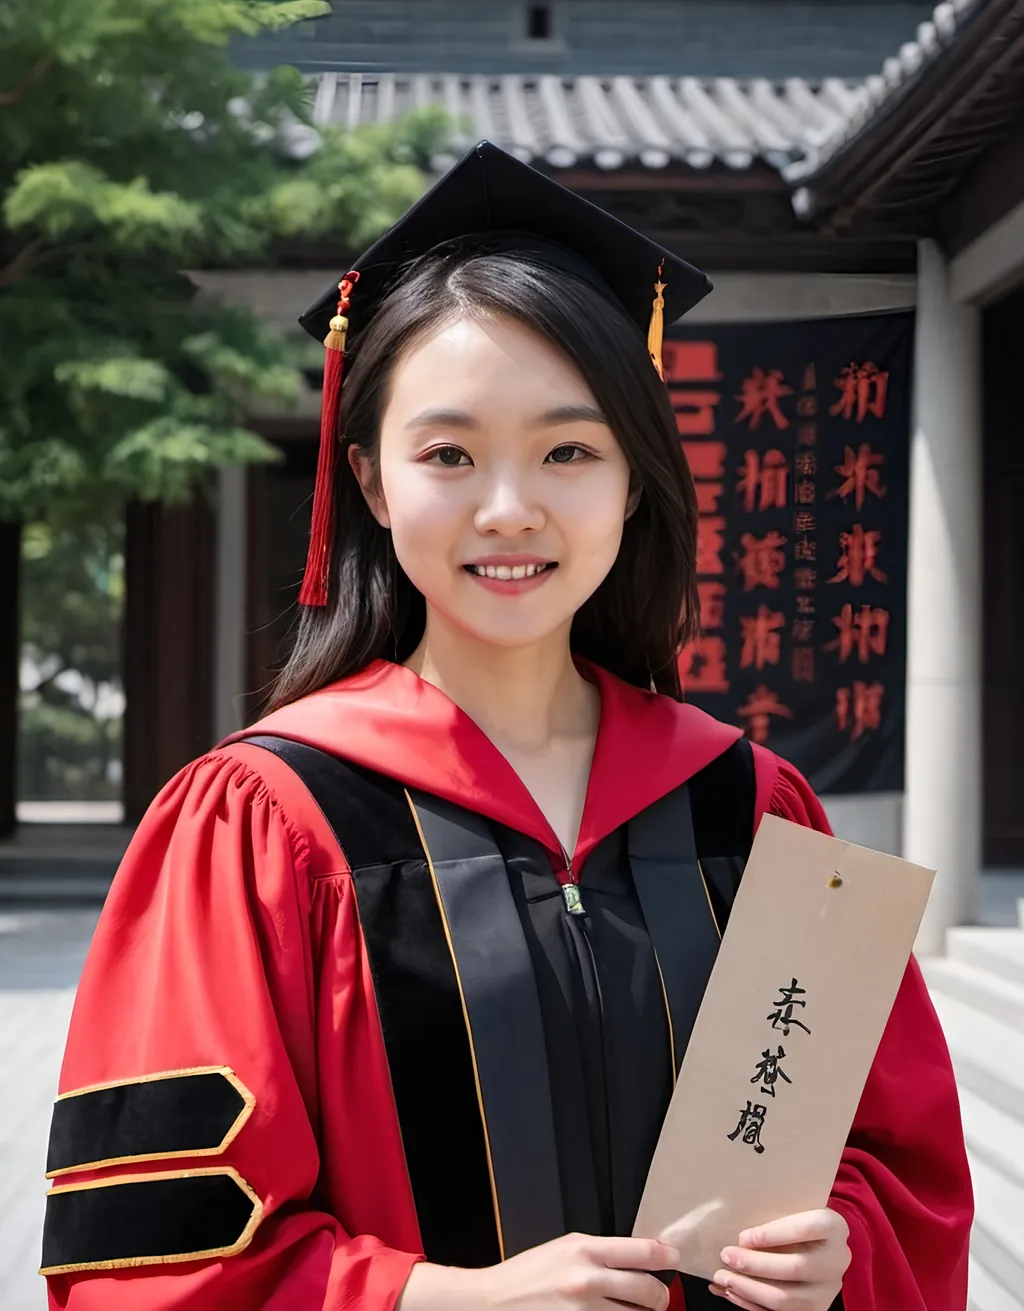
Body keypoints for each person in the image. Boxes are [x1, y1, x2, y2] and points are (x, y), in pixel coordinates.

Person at [41, 142, 972, 1311]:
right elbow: (153, 1245)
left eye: (568, 450)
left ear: (633, 479)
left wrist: (840, 1248)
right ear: (372, 485)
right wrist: (436, 1297)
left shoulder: (751, 808)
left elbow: (901, 1168)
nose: (508, 507)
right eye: (447, 454)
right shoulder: (265, 825)